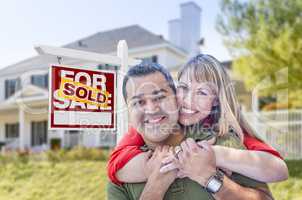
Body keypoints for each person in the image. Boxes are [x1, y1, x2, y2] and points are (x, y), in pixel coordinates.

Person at [107, 62, 279, 200]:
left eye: (159, 97)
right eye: (139, 102)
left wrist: (210, 177)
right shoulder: (122, 176)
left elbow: (275, 173)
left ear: (175, 98)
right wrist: (156, 186)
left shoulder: (221, 139)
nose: (151, 109)